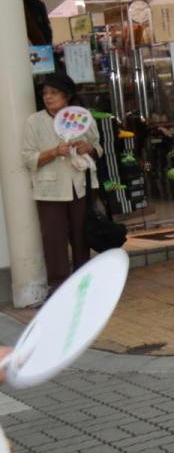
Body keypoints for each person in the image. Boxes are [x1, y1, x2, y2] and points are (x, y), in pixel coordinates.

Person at [21, 73, 100, 293]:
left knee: (81, 236)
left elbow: (98, 146)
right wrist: (54, 152)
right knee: (54, 239)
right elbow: (28, 158)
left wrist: (89, 149)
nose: (48, 97)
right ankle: (59, 287)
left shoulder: (83, 118)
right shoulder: (34, 121)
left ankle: (83, 283)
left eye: (54, 93)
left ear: (68, 95)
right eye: (45, 93)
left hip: (79, 186)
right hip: (49, 189)